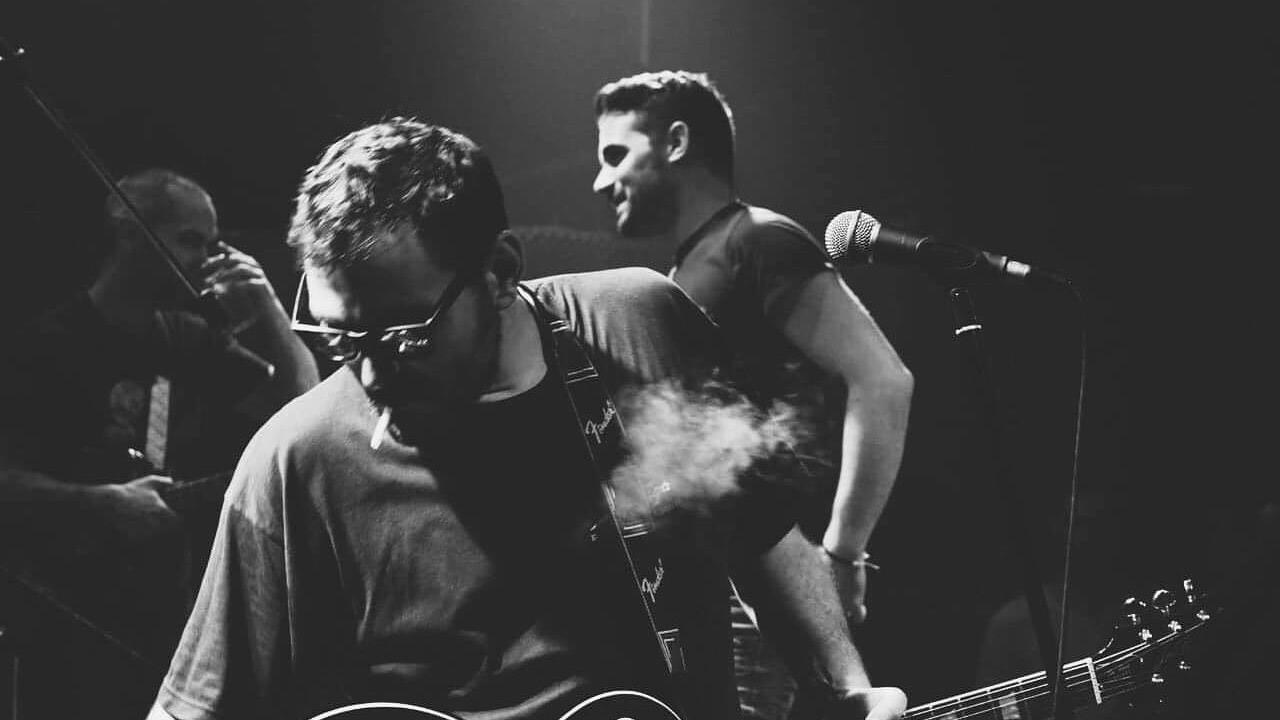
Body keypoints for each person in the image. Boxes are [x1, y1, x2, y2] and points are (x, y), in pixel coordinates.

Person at [146, 117, 905, 720]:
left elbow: (766, 535)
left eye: (406, 334)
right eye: (341, 337)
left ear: (502, 271)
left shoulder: (642, 326)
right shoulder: (293, 461)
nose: (370, 373)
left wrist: (849, 691)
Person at [591, 71, 914, 720]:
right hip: (725, 586)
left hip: (768, 588)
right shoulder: (684, 272)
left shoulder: (757, 240)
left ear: (676, 142)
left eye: (615, 154)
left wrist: (844, 552)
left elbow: (883, 381)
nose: (601, 182)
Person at [0, 169, 320, 718]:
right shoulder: (43, 345)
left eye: (213, 245)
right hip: (62, 617)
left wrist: (267, 308)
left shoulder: (185, 337)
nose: (205, 261)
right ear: (129, 230)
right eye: (190, 240)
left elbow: (305, 409)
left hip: (162, 612)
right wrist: (102, 504)